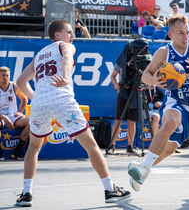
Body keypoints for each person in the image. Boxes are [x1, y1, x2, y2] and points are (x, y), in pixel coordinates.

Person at [15, 20, 130, 207]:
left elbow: (20, 81)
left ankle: (26, 194)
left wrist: (35, 98)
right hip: (62, 99)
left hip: (39, 105)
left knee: (33, 148)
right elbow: (67, 59)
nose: (73, 35)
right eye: (69, 31)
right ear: (57, 35)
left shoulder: (39, 55)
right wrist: (66, 77)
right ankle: (110, 190)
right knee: (91, 145)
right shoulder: (65, 46)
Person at [127, 14, 189, 192]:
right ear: (170, 34)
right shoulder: (164, 52)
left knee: (168, 150)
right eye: (180, 33)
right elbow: (145, 75)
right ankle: (144, 167)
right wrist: (155, 81)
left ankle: (142, 168)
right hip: (175, 101)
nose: (185, 36)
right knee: (171, 121)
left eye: (187, 32)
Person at [108, 63, 139, 154]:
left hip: (136, 93)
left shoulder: (141, 60)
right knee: (118, 120)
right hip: (122, 93)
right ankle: (112, 145)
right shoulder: (122, 60)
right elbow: (113, 75)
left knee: (132, 121)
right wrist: (116, 85)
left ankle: (130, 146)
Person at [0, 66, 30, 159]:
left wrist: (20, 112)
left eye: (7, 75)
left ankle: (18, 150)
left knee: (32, 122)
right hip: (1, 116)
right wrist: (4, 118)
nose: (5, 77)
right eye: (3, 75)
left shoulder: (14, 86)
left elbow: (25, 100)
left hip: (13, 115)